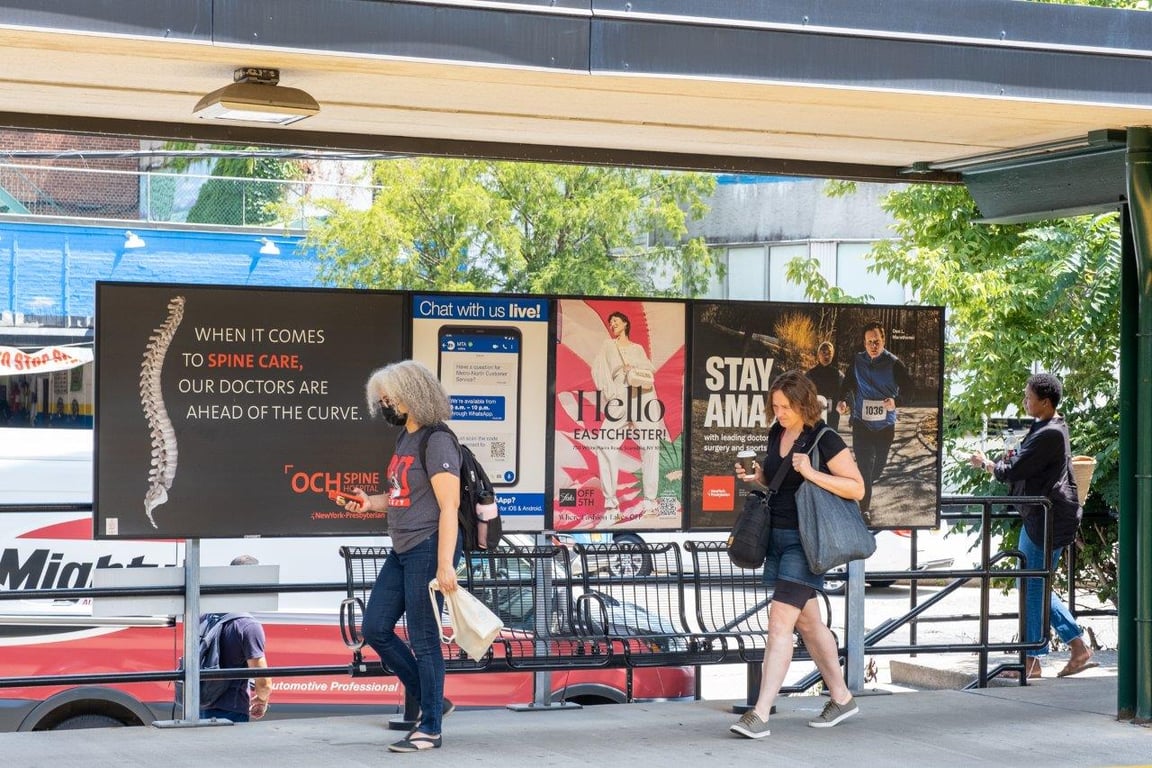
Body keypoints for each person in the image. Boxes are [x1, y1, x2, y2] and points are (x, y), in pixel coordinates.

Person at [729, 370, 865, 739]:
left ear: (803, 403)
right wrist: (758, 477)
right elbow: (780, 484)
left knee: (779, 623)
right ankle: (841, 696)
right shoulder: (777, 433)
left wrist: (812, 472)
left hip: (806, 543)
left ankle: (759, 713)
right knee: (807, 624)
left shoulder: (825, 438)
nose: (779, 413)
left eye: (785, 407)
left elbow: (857, 488)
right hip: (777, 537)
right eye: (775, 406)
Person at [342, 359, 462, 753]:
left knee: (425, 639)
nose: (384, 405)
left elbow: (449, 507)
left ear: (412, 396)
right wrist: (369, 503)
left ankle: (430, 728)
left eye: (388, 398)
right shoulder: (405, 439)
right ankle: (433, 701)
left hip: (428, 547)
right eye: (382, 399)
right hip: (403, 548)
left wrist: (445, 566)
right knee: (376, 627)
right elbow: (401, 497)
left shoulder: (438, 440)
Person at [969, 373, 1094, 679]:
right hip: (1046, 518)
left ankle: (1036, 658)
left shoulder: (1050, 432)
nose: (1024, 401)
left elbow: (1015, 470)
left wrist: (986, 464)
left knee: (1031, 583)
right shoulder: (1050, 426)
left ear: (1045, 402)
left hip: (1047, 520)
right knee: (1032, 582)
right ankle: (1070, 649)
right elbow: (1022, 460)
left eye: (1028, 397)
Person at [590, 310, 665, 518]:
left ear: (625, 323)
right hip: (620, 393)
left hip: (644, 395)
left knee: (650, 445)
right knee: (605, 443)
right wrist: (610, 392)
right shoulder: (608, 345)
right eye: (610, 322)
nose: (612, 324)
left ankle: (650, 500)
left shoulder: (637, 348)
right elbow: (597, 369)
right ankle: (611, 503)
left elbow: (650, 369)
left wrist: (635, 366)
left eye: (615, 321)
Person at [836, 321, 913, 513]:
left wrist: (896, 401)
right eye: (869, 342)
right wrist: (842, 401)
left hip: (885, 426)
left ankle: (865, 487)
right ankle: (864, 510)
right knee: (864, 467)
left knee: (876, 469)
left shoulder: (894, 364)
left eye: (877, 341)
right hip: (862, 424)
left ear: (883, 340)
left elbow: (911, 391)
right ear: (864, 343)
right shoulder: (857, 361)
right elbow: (847, 385)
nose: (873, 346)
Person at [200, 554, 272, 723]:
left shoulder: (206, 617)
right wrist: (262, 700)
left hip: (199, 705)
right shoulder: (247, 625)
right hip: (232, 710)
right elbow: (264, 682)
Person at [806, 341, 843, 431]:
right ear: (818, 354)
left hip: (832, 414)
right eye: (823, 352)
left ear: (833, 355)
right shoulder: (810, 374)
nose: (826, 355)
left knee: (830, 439)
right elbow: (802, 392)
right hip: (815, 414)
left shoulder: (838, 374)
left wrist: (852, 413)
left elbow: (846, 392)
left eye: (829, 353)